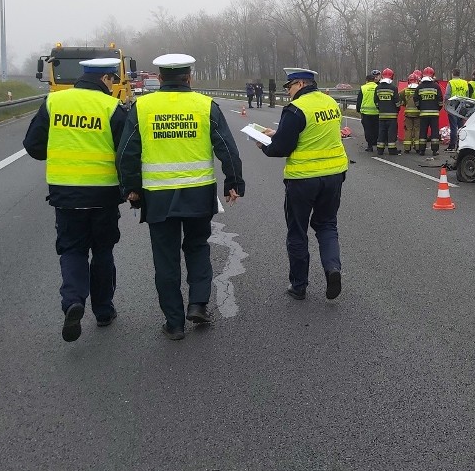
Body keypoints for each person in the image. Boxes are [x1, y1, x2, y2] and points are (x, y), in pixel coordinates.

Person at [116, 53, 245, 341]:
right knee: (198, 247)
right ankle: (198, 303)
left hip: (158, 196)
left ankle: (174, 323)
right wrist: (233, 182)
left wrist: (131, 188)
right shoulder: (205, 105)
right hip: (198, 193)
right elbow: (226, 146)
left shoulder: (143, 107)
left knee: (166, 258)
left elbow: (127, 152)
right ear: (189, 77)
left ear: (160, 78)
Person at [22, 58, 128, 342]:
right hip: (104, 194)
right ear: (105, 79)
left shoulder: (54, 102)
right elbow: (126, 152)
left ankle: (73, 301)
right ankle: (104, 312)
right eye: (112, 80)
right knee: (103, 252)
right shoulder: (112, 108)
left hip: (65, 195)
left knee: (72, 250)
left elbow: (33, 146)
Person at [255, 68, 348, 301]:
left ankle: (299, 286)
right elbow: (315, 133)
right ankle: (332, 269)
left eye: (289, 88)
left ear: (299, 84)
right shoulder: (330, 102)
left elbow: (281, 148)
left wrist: (264, 144)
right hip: (334, 174)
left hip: (303, 179)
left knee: (297, 231)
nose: (288, 93)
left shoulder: (296, 109)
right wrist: (281, 132)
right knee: (327, 225)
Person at [415, 66, 443, 156]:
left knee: (423, 131)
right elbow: (440, 101)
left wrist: (420, 108)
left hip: (423, 113)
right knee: (434, 132)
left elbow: (416, 100)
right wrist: (437, 109)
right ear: (432, 75)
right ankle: (435, 150)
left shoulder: (419, 87)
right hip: (434, 113)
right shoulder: (436, 86)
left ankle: (421, 150)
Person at [375, 68, 401, 155]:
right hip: (392, 116)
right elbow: (397, 102)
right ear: (391, 77)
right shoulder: (393, 88)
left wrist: (380, 109)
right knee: (391, 133)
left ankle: (380, 150)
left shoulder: (378, 88)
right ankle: (392, 150)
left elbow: (376, 101)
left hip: (381, 115)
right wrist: (397, 109)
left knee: (381, 132)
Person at [445, 68, 469, 152]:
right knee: (461, 127)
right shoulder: (465, 83)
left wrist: (446, 105)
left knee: (453, 127)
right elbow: (467, 95)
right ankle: (461, 145)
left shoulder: (451, 82)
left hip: (453, 107)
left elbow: (447, 96)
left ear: (453, 74)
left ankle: (452, 145)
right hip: (462, 108)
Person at [355, 69, 380, 151]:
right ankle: (375, 142)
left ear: (366, 80)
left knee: (368, 129)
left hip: (366, 113)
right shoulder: (378, 87)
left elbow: (359, 100)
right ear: (373, 80)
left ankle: (370, 146)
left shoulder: (363, 88)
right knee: (376, 128)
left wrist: (358, 109)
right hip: (377, 112)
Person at [399, 72, 421, 154]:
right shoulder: (419, 90)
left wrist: (404, 103)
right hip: (418, 113)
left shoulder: (405, 90)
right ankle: (417, 147)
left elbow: (399, 97)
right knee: (417, 130)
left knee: (408, 130)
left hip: (408, 113)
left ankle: (407, 148)